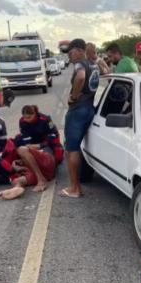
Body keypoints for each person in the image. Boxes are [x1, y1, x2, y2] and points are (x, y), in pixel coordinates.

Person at [59, 38, 99, 198]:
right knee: (78, 147)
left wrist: (74, 97)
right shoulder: (93, 64)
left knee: (71, 149)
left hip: (78, 110)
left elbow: (81, 77)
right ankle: (77, 185)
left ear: (80, 50)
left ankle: (75, 188)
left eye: (71, 51)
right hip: (90, 107)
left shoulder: (80, 64)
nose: (69, 54)